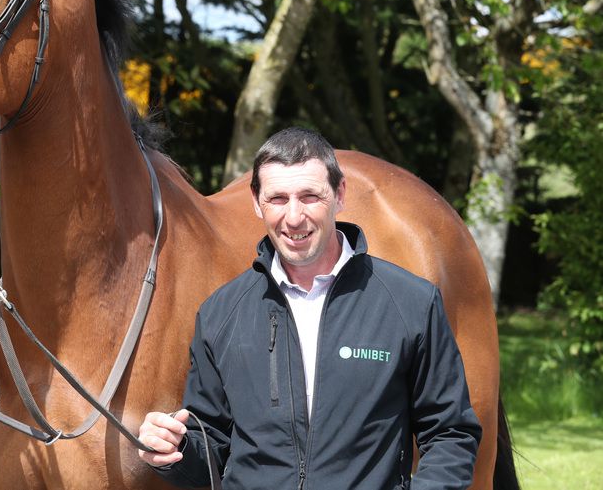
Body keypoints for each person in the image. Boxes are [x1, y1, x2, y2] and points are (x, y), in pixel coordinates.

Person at [138, 127, 482, 489]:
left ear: (340, 194)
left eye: (310, 196)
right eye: (278, 199)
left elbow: (450, 434)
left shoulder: (411, 302)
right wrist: (173, 450)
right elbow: (212, 447)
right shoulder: (220, 314)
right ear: (257, 202)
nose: (294, 217)